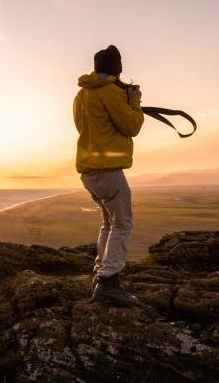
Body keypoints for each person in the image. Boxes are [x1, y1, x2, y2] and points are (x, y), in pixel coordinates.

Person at [73, 44, 144, 307]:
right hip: (109, 171)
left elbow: (88, 127)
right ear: (117, 67)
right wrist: (134, 102)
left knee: (108, 223)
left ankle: (100, 273)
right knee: (122, 224)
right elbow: (132, 126)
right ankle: (108, 282)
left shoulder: (81, 95)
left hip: (88, 170)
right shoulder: (111, 92)